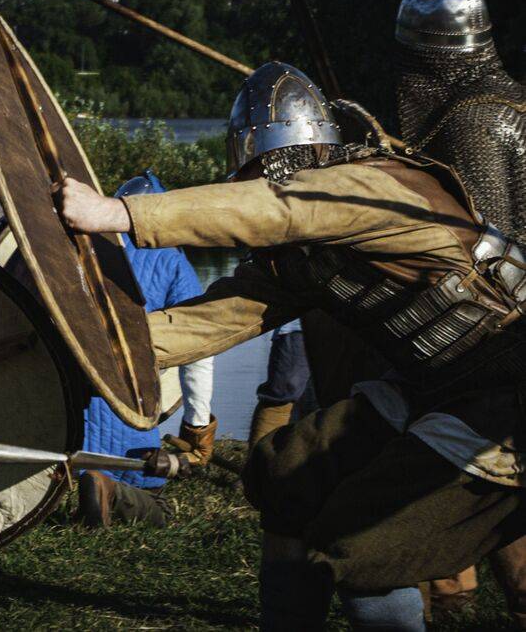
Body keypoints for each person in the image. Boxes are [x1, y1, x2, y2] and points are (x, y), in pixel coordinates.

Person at [57, 61, 526, 632]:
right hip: (436, 390)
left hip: (506, 400)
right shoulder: (304, 250)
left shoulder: (371, 185)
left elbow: (280, 207)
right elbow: (212, 322)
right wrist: (84, 350)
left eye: (260, 174)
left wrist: (117, 213)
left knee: (360, 544)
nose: (255, 184)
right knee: (286, 472)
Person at [394, 0, 526, 623]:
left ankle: (455, 604)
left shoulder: (471, 122)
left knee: (466, 482)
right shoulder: (513, 102)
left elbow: (488, 251)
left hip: (498, 331)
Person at [75, 171, 213, 529]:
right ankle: (109, 490)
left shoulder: (81, 246)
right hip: (132, 409)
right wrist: (197, 426)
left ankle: (82, 483)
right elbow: (198, 351)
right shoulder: (173, 261)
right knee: (159, 508)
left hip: (73, 409)